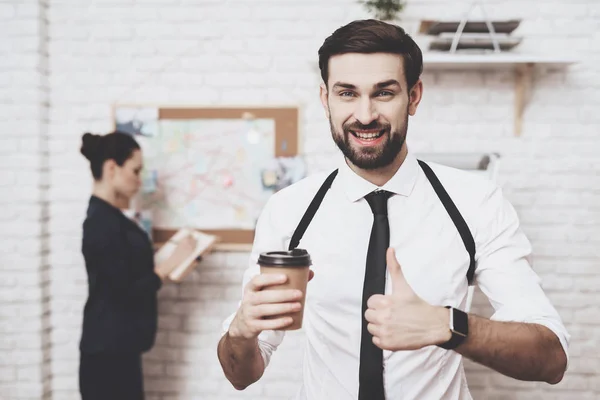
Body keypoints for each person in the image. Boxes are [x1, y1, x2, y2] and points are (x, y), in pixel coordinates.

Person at [217, 19, 569, 400]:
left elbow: (550, 359)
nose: (365, 115)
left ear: (414, 96)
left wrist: (448, 325)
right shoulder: (288, 210)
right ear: (325, 99)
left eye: (384, 93)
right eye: (347, 93)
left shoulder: (476, 202)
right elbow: (242, 375)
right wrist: (240, 331)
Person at [78, 131, 196, 400]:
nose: (139, 179)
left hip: (118, 348)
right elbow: (120, 291)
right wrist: (167, 267)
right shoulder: (100, 223)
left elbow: (125, 273)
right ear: (111, 168)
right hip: (106, 353)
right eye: (135, 170)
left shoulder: (112, 219)